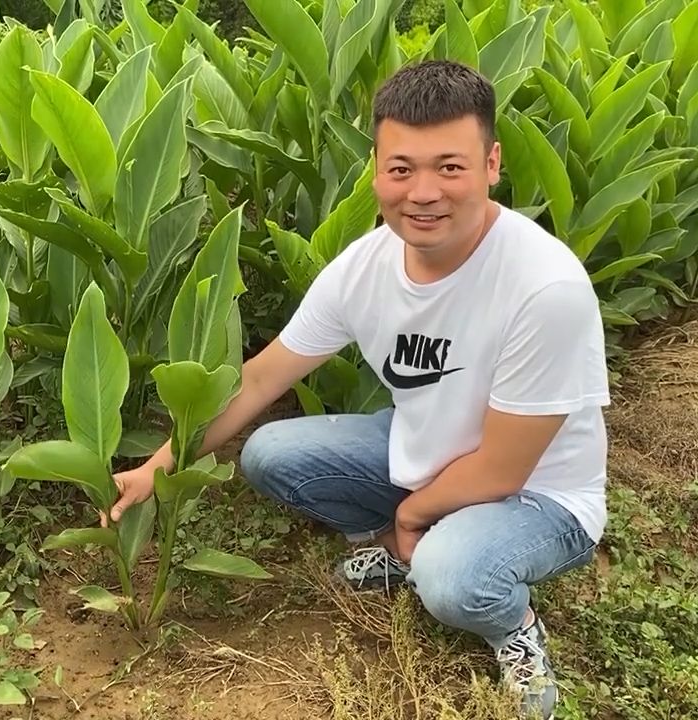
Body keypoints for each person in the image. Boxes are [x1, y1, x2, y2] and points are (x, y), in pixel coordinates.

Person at [105, 60, 609, 720]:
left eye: (449, 167)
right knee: (271, 454)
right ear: (375, 171)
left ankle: (508, 625)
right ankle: (416, 551)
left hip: (540, 495)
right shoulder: (365, 268)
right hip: (428, 452)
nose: (422, 192)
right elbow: (261, 377)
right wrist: (160, 464)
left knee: (454, 580)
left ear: (491, 164)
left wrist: (409, 515)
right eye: (401, 169)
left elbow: (504, 466)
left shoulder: (545, 287)